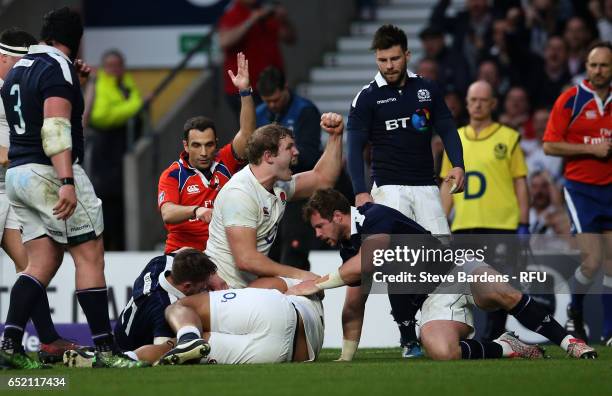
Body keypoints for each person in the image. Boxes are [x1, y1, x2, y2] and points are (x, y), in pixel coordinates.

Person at [287, 188, 597, 360]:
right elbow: (354, 304)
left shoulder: (375, 216)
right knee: (442, 352)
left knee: (501, 291)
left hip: (455, 267)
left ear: (338, 216)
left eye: (319, 226)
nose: (317, 234)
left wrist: (318, 282)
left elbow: (371, 257)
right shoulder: (348, 249)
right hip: (434, 296)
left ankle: (570, 342)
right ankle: (506, 346)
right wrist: (345, 358)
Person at [0, 7, 146, 369]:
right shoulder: (58, 67)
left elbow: (34, 112)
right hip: (49, 171)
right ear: (77, 39)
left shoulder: (18, 68)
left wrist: (74, 86)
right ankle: (106, 352)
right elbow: (54, 129)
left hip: (17, 175)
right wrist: (66, 181)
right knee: (90, 254)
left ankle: (10, 342)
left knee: (42, 261)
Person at [346, 24, 465, 358]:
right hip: (389, 189)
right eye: (382, 59)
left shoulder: (426, 89)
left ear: (407, 55)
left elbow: (446, 126)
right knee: (399, 263)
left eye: (394, 58)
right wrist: (359, 192)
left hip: (427, 187)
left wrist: (458, 163)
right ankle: (407, 334)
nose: (388, 65)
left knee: (442, 259)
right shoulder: (367, 97)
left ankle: (440, 325)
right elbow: (353, 149)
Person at [0, 27, 80, 365]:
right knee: (33, 263)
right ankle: (43, 339)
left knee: (30, 266)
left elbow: (62, 122)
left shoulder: (18, 84)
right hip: (14, 177)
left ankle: (44, 339)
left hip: (11, 188)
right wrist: (19, 154)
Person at [204, 112, 345, 289]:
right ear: (269, 156)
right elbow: (246, 260)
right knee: (305, 288)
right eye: (289, 148)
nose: (296, 152)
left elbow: (323, 178)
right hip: (224, 290)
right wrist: (300, 274)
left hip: (245, 287)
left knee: (308, 291)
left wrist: (335, 136)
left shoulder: (279, 186)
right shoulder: (239, 193)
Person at [440, 80, 530, 341]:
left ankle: (495, 338)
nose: (478, 104)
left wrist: (523, 223)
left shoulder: (508, 138)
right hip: (465, 225)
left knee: (500, 286)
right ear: (467, 104)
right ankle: (469, 336)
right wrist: (440, 221)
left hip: (501, 224)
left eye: (483, 100)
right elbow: (448, 186)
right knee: (466, 285)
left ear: (493, 103)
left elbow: (520, 183)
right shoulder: (455, 141)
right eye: (473, 100)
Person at [542, 41, 612, 345]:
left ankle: (609, 331)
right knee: (593, 259)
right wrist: (590, 148)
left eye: (604, 65)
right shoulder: (570, 100)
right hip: (581, 189)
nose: (598, 71)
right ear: (586, 67)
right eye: (593, 65)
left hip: (610, 188)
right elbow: (549, 144)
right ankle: (575, 308)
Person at [157, 52, 255, 254]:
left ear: (216, 144)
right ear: (186, 146)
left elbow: (247, 134)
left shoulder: (225, 160)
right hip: (183, 254)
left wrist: (245, 92)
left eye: (209, 145)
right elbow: (167, 212)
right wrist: (196, 210)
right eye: (196, 145)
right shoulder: (173, 175)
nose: (203, 152)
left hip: (222, 253)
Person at [64, 249, 225, 366]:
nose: (206, 289)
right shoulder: (166, 309)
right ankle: (94, 359)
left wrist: (213, 277)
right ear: (187, 286)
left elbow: (184, 253)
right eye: (203, 286)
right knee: (176, 344)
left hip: (124, 329)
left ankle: (92, 354)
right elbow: (164, 351)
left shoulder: (159, 264)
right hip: (133, 345)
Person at [158, 276, 324, 365]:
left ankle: (187, 337)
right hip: (289, 354)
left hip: (275, 313)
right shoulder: (308, 292)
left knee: (180, 307)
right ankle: (133, 357)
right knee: (186, 351)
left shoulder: (296, 284)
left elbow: (259, 286)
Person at [255, 66, 322, 270]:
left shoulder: (305, 110)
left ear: (285, 87)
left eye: (276, 99)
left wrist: (276, 161)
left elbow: (310, 155)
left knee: (294, 247)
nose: (272, 105)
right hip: (268, 192)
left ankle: (299, 296)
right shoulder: (259, 113)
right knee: (269, 249)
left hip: (298, 189)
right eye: (267, 101)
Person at [85, 49, 143, 251]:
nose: (114, 70)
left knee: (121, 202)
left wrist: (132, 106)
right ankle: (106, 244)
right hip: (104, 150)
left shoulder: (126, 83)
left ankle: (119, 244)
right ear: (103, 67)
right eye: (110, 65)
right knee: (104, 198)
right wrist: (134, 106)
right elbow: (101, 116)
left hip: (121, 150)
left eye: (118, 65)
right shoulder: (99, 84)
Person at [218, 0, 295, 115]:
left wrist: (283, 20)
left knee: (278, 128)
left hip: (274, 85)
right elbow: (224, 41)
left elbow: (290, 38)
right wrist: (251, 20)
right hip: (245, 88)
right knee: (252, 130)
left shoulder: (268, 11)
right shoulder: (232, 13)